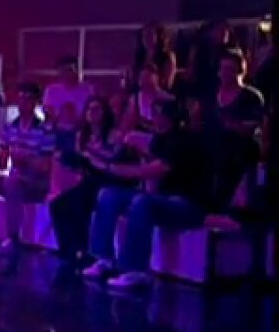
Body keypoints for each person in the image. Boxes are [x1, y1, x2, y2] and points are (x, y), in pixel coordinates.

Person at [82, 100, 213, 290]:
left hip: (187, 204)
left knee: (142, 202)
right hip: (163, 199)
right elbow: (151, 179)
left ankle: (135, 270)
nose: (156, 119)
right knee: (108, 195)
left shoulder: (184, 141)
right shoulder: (160, 140)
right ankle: (104, 259)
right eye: (155, 115)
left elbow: (151, 171)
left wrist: (108, 167)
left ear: (172, 118)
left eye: (160, 115)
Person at [48, 96, 133, 265]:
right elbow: (81, 163)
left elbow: (112, 160)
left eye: (96, 109)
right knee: (57, 204)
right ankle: (68, 249)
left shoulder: (114, 135)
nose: (92, 113)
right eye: (89, 109)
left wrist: (91, 156)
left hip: (108, 180)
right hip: (89, 179)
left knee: (81, 201)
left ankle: (85, 249)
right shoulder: (82, 136)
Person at [0, 82, 54, 250]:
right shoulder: (10, 128)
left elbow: (46, 167)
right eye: (21, 98)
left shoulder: (45, 130)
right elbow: (2, 166)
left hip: (36, 183)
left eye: (28, 99)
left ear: (35, 102)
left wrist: (25, 158)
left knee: (12, 182)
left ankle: (13, 238)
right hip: (15, 178)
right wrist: (2, 157)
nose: (24, 103)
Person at [208, 49, 265, 210]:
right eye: (223, 69)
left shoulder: (251, 96)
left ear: (240, 71)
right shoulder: (212, 96)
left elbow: (253, 127)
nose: (225, 73)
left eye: (230, 69)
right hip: (214, 156)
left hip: (240, 157)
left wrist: (232, 125)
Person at [43, 55, 93, 137]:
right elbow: (48, 113)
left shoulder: (88, 91)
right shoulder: (51, 90)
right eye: (63, 70)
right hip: (55, 133)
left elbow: (91, 116)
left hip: (81, 133)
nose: (66, 73)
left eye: (69, 70)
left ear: (77, 70)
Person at [119, 63, 176, 134]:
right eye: (142, 77)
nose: (144, 80)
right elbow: (127, 122)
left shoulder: (167, 99)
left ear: (157, 78)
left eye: (147, 76)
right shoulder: (135, 99)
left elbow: (168, 126)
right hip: (139, 136)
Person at [131, 22, 177, 91]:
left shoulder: (168, 56)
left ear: (159, 36)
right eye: (144, 35)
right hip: (142, 93)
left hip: (160, 93)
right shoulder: (141, 55)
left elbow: (168, 83)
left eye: (150, 35)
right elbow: (136, 78)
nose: (146, 38)